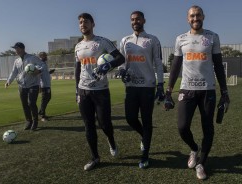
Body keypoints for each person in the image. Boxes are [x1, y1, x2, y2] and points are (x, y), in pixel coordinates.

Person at [164, 6, 230, 180]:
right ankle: (194, 148)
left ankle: (201, 163)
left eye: (198, 15)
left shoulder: (212, 37)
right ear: (188, 19)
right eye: (192, 16)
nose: (195, 18)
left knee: (208, 128)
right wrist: (169, 90)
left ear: (203, 16)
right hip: (187, 89)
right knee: (182, 126)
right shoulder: (180, 39)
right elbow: (176, 65)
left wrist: (224, 91)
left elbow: (217, 64)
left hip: (207, 90)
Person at [75, 13, 125, 171]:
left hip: (101, 90)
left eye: (86, 22)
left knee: (104, 124)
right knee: (88, 125)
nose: (83, 24)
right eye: (81, 22)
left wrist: (106, 66)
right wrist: (77, 90)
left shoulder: (102, 42)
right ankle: (95, 157)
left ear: (92, 24)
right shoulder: (78, 46)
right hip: (84, 91)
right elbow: (78, 69)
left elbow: (120, 58)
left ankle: (111, 140)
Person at [119, 11, 165, 169]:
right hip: (131, 87)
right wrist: (122, 71)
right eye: (132, 19)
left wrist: (160, 84)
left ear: (144, 20)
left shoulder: (152, 39)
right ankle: (144, 137)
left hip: (147, 86)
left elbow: (158, 63)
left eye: (138, 18)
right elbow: (122, 62)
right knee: (130, 118)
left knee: (147, 121)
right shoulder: (125, 40)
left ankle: (145, 155)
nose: (135, 21)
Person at [5, 42, 44, 131]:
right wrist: (8, 81)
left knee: (31, 103)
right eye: (15, 49)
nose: (16, 50)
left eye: (17, 48)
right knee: (25, 105)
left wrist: (38, 71)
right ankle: (28, 121)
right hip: (22, 86)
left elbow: (42, 65)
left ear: (22, 49)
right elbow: (14, 72)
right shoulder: (17, 61)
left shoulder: (32, 58)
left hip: (33, 84)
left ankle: (35, 121)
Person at [38, 52, 55, 121]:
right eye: (45, 56)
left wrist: (50, 72)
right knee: (44, 100)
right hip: (44, 85)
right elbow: (38, 75)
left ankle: (41, 112)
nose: (46, 57)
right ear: (41, 57)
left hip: (47, 85)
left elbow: (44, 73)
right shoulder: (40, 64)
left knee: (48, 98)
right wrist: (39, 86)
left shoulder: (44, 64)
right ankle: (42, 115)